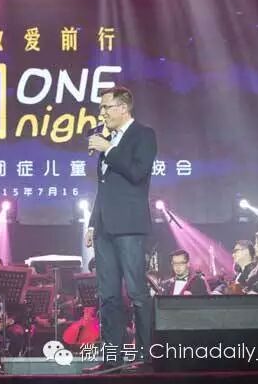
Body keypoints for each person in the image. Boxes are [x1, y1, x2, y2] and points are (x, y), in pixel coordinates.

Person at [84, 86, 157, 372]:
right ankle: (112, 358)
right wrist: (93, 223)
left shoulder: (143, 135)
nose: (101, 113)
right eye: (101, 108)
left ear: (123, 108)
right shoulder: (109, 139)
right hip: (104, 227)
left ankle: (145, 356)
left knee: (137, 292)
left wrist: (109, 150)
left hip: (129, 226)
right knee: (109, 296)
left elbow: (138, 173)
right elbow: (103, 188)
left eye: (106, 107)